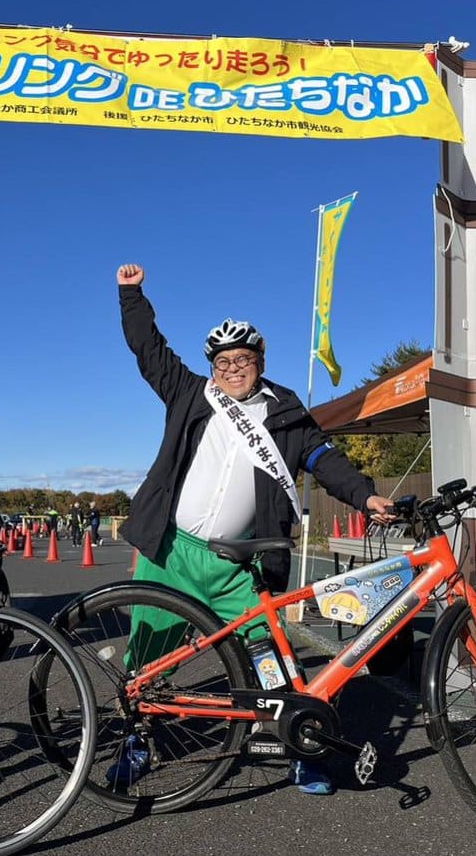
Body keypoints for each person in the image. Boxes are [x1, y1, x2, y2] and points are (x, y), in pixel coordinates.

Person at [110, 262, 394, 795]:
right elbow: (147, 348)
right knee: (145, 659)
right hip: (169, 552)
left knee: (270, 657)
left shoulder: (285, 411)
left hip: (237, 563)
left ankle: (300, 747)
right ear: (211, 367)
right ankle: (136, 740)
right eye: (223, 360)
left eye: (242, 359)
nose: (232, 368)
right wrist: (131, 294)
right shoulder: (190, 393)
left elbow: (323, 459)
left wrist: (365, 494)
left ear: (260, 362)